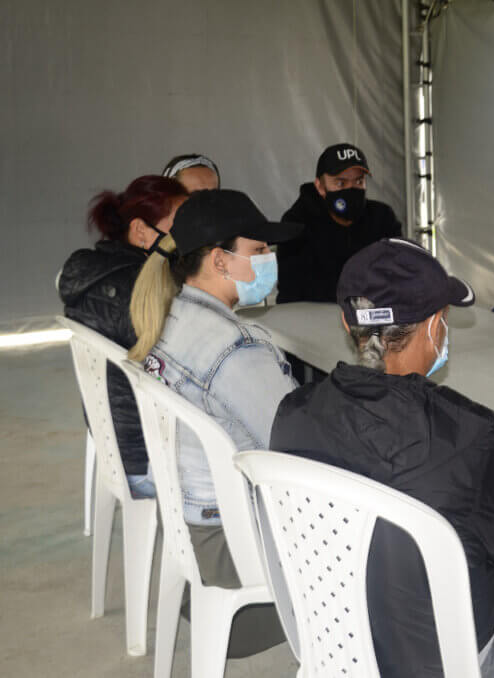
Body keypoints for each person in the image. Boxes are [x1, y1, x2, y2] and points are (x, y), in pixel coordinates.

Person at [270, 238, 494, 678]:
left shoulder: (293, 413)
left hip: (331, 628)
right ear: (434, 325)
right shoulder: (470, 431)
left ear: (347, 324)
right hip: (444, 653)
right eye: (445, 320)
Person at [128, 189, 302, 657]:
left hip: (191, 531)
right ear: (221, 262)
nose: (269, 259)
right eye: (259, 250)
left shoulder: (170, 315)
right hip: (232, 548)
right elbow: (297, 443)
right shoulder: (235, 348)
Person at [59, 175, 189, 497]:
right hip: (150, 460)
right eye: (181, 226)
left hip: (117, 448)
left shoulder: (95, 272)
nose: (191, 235)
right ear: (141, 231)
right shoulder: (144, 289)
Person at [276, 143, 402, 303]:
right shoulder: (297, 223)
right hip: (312, 320)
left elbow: (398, 275)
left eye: (358, 181)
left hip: (373, 317)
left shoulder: (382, 217)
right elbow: (292, 290)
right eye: (341, 183)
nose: (351, 189)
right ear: (320, 186)